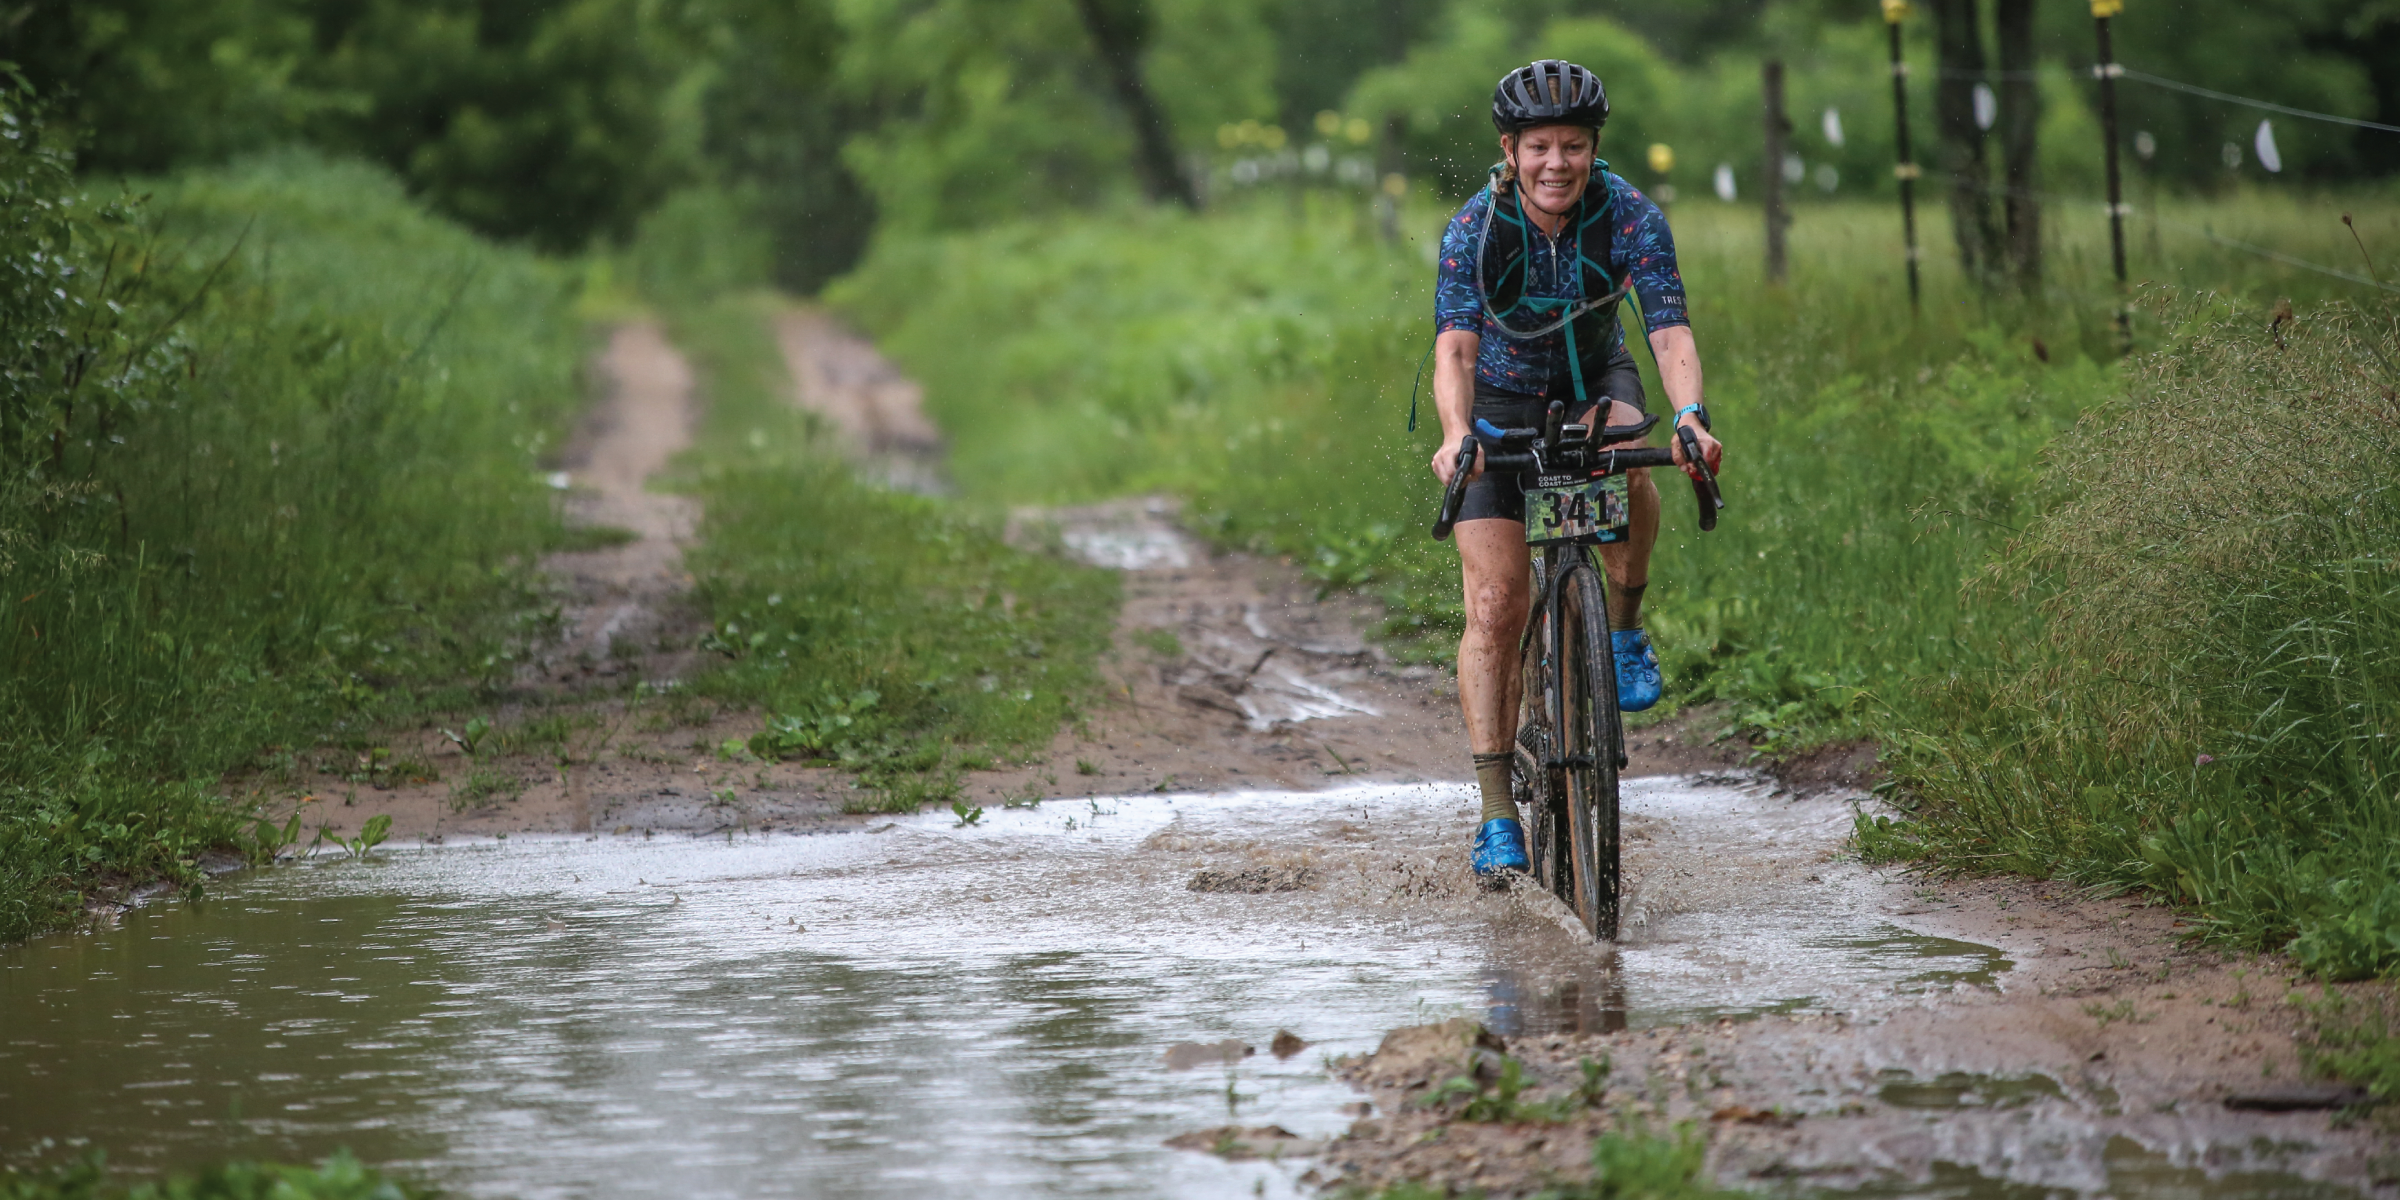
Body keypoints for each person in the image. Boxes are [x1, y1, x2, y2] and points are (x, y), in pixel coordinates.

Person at [1428, 59, 1725, 878]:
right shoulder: (1475, 228)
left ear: (1595, 149)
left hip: (1596, 380)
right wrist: (1457, 433)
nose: (1556, 164)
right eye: (1539, 148)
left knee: (1633, 453)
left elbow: (1668, 330)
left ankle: (1623, 631)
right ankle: (1496, 814)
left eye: (1573, 146)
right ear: (1509, 150)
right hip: (1499, 401)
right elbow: (1454, 347)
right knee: (1495, 603)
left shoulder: (1630, 215)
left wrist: (1693, 418)